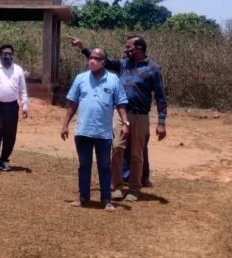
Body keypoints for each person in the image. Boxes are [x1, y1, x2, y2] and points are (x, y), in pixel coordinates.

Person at [70, 35, 167, 201]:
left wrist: (161, 122)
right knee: (116, 149)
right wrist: (83, 48)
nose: (125, 50)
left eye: (129, 47)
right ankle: (117, 186)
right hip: (120, 114)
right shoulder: (123, 64)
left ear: (139, 48)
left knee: (137, 154)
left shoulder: (153, 69)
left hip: (140, 116)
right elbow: (102, 61)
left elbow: (160, 97)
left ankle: (134, 188)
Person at [60, 48, 129, 212]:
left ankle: (107, 200)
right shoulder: (80, 78)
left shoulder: (113, 79)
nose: (92, 60)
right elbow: (73, 104)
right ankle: (83, 198)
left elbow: (120, 103)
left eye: (96, 58)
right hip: (83, 131)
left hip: (103, 133)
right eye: (91, 57)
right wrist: (65, 125)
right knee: (84, 165)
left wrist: (125, 123)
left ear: (103, 62)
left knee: (104, 166)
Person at [0, 44, 29, 172]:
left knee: (10, 134)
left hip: (12, 106)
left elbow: (23, 90)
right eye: (4, 53)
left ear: (12, 55)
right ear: (0, 55)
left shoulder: (18, 70)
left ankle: (4, 160)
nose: (7, 56)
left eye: (9, 54)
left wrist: (25, 106)